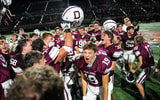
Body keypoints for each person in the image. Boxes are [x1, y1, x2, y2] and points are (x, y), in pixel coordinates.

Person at [98, 30, 123, 100]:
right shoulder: (99, 46)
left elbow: (112, 67)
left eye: (104, 35)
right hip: (98, 73)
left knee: (107, 93)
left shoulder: (115, 49)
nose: (101, 37)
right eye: (101, 35)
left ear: (109, 38)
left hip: (108, 74)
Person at [131, 35, 154, 100]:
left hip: (148, 67)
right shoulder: (146, 44)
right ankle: (142, 93)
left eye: (135, 40)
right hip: (150, 64)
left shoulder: (139, 49)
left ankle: (144, 98)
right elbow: (145, 42)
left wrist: (134, 70)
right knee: (141, 80)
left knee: (138, 83)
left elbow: (140, 62)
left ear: (136, 41)